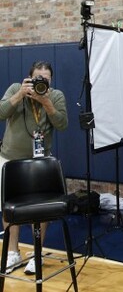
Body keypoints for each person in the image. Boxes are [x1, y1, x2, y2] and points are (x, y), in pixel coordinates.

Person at [0, 61, 68, 274]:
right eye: (38, 78)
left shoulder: (56, 96)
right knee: (9, 208)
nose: (41, 82)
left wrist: (46, 102)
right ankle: (13, 252)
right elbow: (1, 113)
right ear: (29, 78)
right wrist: (20, 94)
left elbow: (62, 124)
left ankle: (37, 253)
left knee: (40, 209)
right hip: (10, 159)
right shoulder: (16, 88)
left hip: (40, 163)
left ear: (51, 80)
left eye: (45, 79)